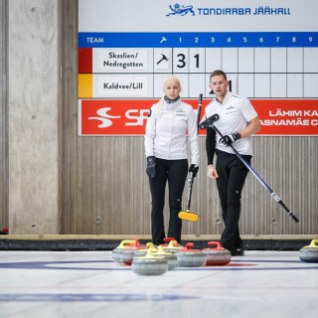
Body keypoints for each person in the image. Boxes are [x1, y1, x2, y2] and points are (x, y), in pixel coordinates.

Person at [202, 70, 261, 256]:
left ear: (226, 83)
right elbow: (210, 138)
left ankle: (226, 242)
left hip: (240, 155)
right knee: (224, 202)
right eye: (214, 83)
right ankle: (236, 244)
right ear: (210, 86)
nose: (218, 86)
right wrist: (209, 164)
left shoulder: (240, 101)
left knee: (233, 198)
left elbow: (256, 124)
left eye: (221, 82)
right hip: (221, 157)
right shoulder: (210, 108)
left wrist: (237, 135)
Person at [144, 75, 199, 245]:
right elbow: (148, 136)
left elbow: (193, 138)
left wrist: (195, 161)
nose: (172, 90)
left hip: (178, 160)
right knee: (157, 203)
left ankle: (173, 241)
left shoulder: (188, 110)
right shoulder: (155, 109)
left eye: (175, 87)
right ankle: (158, 241)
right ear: (164, 90)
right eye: (168, 87)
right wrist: (150, 158)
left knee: (175, 204)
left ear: (179, 89)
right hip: (157, 160)